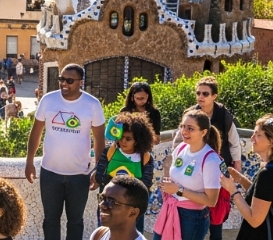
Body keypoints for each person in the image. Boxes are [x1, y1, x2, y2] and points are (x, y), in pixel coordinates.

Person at [26, 63, 106, 240]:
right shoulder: (48, 100)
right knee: (50, 221)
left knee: (75, 222)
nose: (64, 83)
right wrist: (29, 161)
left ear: (80, 82)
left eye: (69, 80)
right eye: (61, 79)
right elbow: (36, 132)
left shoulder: (92, 104)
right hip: (49, 173)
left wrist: (98, 170)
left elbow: (100, 139)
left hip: (79, 175)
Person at [173, 76, 240, 240]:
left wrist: (236, 167)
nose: (200, 97)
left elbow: (234, 142)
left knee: (216, 213)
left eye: (205, 93)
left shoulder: (224, 115)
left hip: (217, 166)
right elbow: (178, 140)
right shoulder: (191, 114)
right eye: (198, 93)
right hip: (194, 167)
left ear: (214, 96)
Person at [220, 115, 273, 240]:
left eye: (258, 135)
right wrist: (240, 179)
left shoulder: (269, 174)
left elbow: (254, 219)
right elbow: (263, 198)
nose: (252, 138)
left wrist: (233, 191)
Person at [154, 109, 222, 240]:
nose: (184, 131)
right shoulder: (181, 148)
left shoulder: (211, 160)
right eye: (183, 126)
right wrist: (166, 182)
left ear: (203, 132)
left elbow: (211, 201)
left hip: (192, 218)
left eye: (190, 128)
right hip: (170, 210)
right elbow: (173, 175)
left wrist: (178, 190)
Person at [93, 112, 155, 233]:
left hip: (132, 206)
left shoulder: (145, 157)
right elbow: (100, 174)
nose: (123, 141)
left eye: (128, 139)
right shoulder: (110, 151)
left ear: (137, 140)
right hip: (108, 203)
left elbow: (146, 184)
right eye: (121, 137)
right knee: (105, 232)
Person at [91, 176, 150, 240]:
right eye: (102, 198)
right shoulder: (99, 234)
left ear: (133, 212)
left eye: (111, 202)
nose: (101, 205)